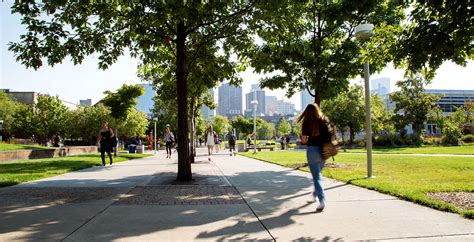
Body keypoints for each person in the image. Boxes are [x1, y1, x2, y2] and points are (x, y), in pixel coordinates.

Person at [297, 103, 330, 211]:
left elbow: (304, 140)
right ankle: (314, 195)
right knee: (318, 175)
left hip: (312, 151)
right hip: (324, 151)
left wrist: (302, 140)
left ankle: (322, 200)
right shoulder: (323, 120)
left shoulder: (307, 122)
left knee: (316, 177)